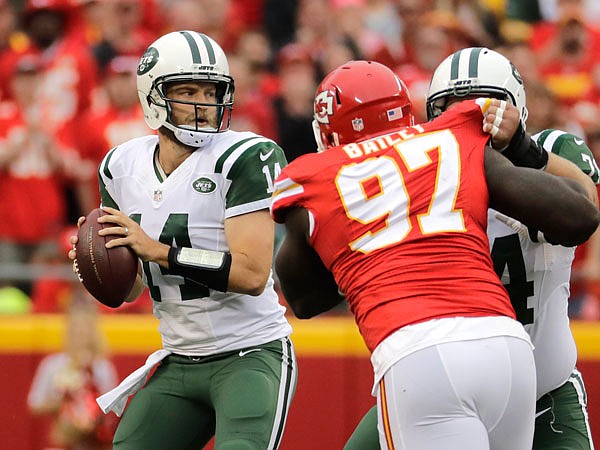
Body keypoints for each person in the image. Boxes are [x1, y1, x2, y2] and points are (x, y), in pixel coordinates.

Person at [271, 60, 600, 449]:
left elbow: (583, 213)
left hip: (495, 373)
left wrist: (524, 149)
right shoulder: (449, 148)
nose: (477, 117)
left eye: (488, 105)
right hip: (503, 352)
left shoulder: (545, 149)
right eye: (452, 106)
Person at [68, 31, 296, 450]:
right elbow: (132, 287)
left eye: (211, 92)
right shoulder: (120, 165)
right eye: (187, 91)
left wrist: (158, 250)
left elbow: (251, 273)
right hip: (178, 357)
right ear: (153, 97)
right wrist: (98, 263)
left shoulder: (246, 156)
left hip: (248, 353)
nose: (202, 105)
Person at [28, 302, 119, 450]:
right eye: (77, 332)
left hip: (96, 442)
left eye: (85, 332)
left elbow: (113, 408)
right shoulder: (52, 364)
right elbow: (35, 404)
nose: (81, 337)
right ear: (68, 333)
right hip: (63, 441)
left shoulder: (102, 367)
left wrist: (90, 408)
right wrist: (66, 404)